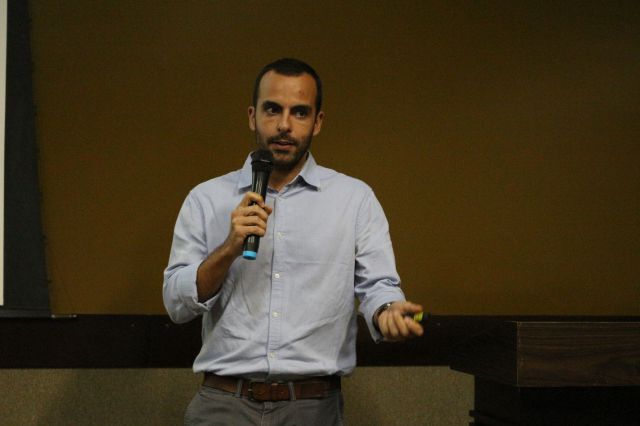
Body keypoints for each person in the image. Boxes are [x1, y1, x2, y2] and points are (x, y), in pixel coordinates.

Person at [163, 58, 424, 426]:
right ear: (252, 116)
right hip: (224, 404)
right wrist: (229, 248)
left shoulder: (354, 200)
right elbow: (176, 304)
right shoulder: (206, 199)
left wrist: (387, 313)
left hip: (312, 407)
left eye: (299, 112)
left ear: (317, 122)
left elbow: (378, 287)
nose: (284, 125)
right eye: (273, 109)